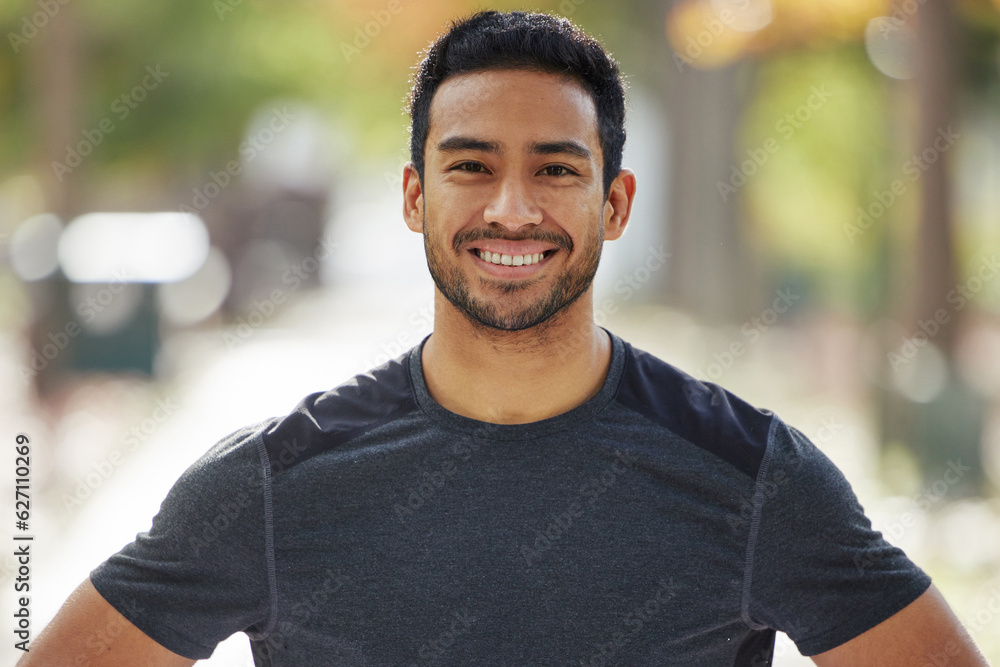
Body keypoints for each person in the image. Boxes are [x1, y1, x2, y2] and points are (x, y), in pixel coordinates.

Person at [21, 10, 990, 667]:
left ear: (614, 203)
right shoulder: (271, 485)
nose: (512, 207)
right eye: (471, 165)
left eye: (556, 170)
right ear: (415, 197)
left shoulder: (749, 472)